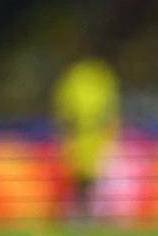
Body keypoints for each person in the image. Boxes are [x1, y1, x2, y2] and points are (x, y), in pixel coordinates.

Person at [52, 56, 120, 219]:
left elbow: (65, 113)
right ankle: (82, 213)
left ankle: (92, 213)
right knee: (82, 178)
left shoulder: (90, 77)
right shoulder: (95, 77)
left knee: (93, 178)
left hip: (93, 139)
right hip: (83, 139)